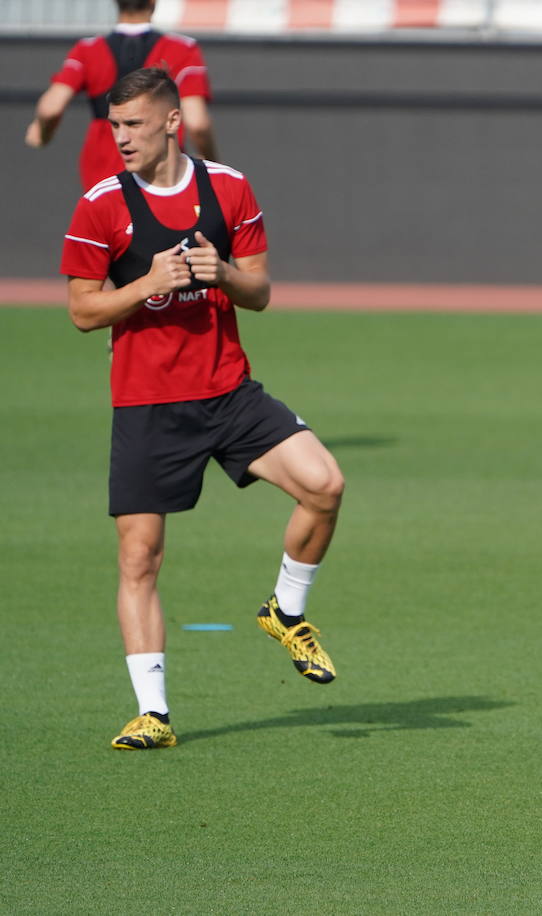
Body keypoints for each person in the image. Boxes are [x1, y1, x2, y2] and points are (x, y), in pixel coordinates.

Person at [60, 67, 344, 750]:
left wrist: (227, 275)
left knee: (325, 485)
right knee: (141, 558)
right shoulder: (101, 204)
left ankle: (286, 609)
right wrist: (148, 284)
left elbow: (262, 292)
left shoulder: (229, 188)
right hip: (147, 403)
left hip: (228, 391)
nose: (119, 137)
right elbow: (80, 310)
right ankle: (153, 713)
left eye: (131, 124)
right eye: (113, 125)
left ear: (170, 122)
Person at [25, 0, 217, 191]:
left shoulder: (87, 49)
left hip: (102, 174)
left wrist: (43, 134)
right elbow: (197, 123)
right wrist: (211, 165)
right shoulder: (182, 49)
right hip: (159, 172)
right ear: (153, 3)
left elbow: (51, 108)